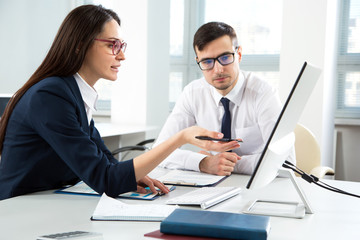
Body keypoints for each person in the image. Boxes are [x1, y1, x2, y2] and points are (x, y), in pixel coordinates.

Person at [0, 6, 240, 200]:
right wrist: (180, 138)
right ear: (79, 46)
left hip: (50, 201)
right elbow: (106, 179)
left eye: (121, 46)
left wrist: (131, 176)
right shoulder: (51, 96)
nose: (122, 55)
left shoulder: (74, 92)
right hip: (19, 208)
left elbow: (108, 163)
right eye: (112, 45)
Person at [154, 21, 295, 176]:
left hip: (256, 184)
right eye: (207, 62)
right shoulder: (193, 93)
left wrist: (226, 164)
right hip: (212, 185)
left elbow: (286, 162)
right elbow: (159, 151)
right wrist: (203, 163)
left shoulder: (263, 93)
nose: (218, 69)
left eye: (225, 57)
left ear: (239, 54)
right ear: (198, 62)